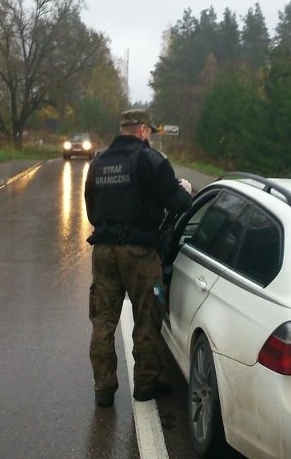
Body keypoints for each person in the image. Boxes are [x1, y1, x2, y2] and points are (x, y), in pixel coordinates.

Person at [84, 109, 193, 407]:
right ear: (144, 130)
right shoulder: (151, 160)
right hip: (140, 253)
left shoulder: (99, 161)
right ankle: (146, 383)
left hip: (104, 251)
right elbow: (178, 203)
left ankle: (104, 388)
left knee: (103, 320)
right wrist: (184, 189)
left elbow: (91, 208)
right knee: (147, 315)